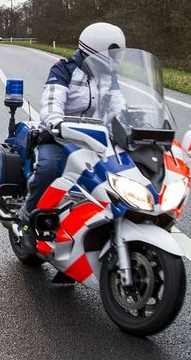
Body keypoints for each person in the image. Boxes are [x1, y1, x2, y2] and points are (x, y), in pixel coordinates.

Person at [19, 22, 126, 228]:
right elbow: (51, 103)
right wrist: (57, 123)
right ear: (95, 51)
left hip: (96, 140)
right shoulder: (64, 69)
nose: (113, 61)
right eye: (111, 55)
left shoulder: (108, 77)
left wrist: (131, 125)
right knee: (48, 167)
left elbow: (118, 106)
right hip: (61, 137)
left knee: (122, 172)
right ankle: (28, 215)